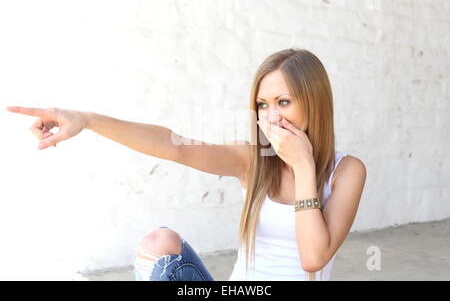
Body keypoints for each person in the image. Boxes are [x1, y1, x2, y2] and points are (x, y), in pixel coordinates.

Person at [6, 48, 366, 281]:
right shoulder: (253, 161)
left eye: (284, 102)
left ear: (314, 102)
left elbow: (313, 258)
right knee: (159, 243)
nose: (270, 116)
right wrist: (86, 119)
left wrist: (303, 167)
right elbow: (173, 145)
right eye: (262, 104)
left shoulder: (346, 171)